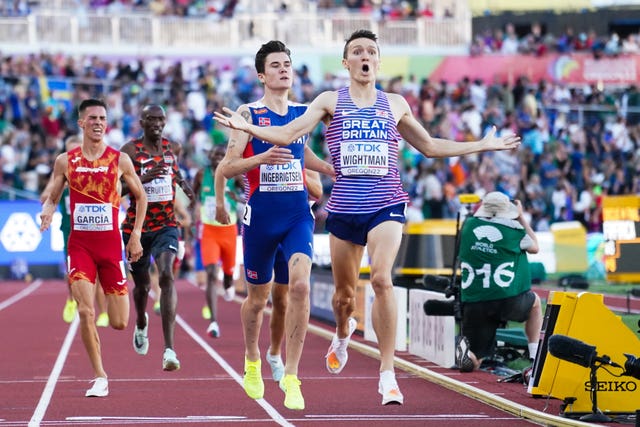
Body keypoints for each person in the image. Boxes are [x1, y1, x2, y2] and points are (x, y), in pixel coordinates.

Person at [213, 29, 521, 405]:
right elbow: (289, 134)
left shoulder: (395, 104)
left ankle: (384, 374)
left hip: (384, 204)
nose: (364, 56)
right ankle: (331, 336)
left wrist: (481, 145)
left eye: (370, 51)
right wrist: (250, 129)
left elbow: (429, 146)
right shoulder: (328, 100)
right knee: (338, 298)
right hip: (339, 208)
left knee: (377, 279)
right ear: (346, 62)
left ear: (377, 61)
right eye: (356, 51)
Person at [217, 40, 333, 411]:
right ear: (262, 75)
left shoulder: (304, 112)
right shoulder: (247, 114)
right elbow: (227, 167)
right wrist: (263, 157)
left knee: (299, 287)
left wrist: (329, 168)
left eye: (288, 63)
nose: (285, 69)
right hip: (261, 218)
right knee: (257, 299)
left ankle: (292, 376)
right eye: (277, 65)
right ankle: (252, 359)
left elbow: (303, 152)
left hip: (298, 214)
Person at [39, 98, 147, 397]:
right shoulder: (66, 160)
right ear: (81, 123)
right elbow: (53, 193)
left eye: (103, 118)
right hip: (81, 246)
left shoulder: (119, 160)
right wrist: (48, 208)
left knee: (119, 322)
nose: (99, 122)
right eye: (93, 118)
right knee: (86, 311)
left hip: (111, 247)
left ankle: (140, 318)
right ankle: (100, 376)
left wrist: (135, 235)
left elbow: (141, 197)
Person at [120, 104, 195, 371]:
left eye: (161, 119)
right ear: (142, 122)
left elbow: (175, 172)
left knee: (166, 275)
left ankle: (169, 350)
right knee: (142, 287)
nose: (157, 124)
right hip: (136, 229)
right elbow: (115, 191)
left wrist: (185, 186)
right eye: (151, 120)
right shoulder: (129, 152)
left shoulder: (173, 147)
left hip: (166, 224)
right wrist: (142, 178)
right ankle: (141, 322)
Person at [455, 191, 542, 373]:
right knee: (535, 304)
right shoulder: (514, 231)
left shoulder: (469, 226)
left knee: (476, 357)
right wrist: (521, 218)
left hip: (475, 300)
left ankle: (468, 355)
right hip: (506, 299)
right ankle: (535, 358)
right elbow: (535, 247)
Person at [41, 134, 110, 327]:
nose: (73, 155)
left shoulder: (93, 169)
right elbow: (44, 198)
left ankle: (102, 312)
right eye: (69, 151)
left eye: (75, 150)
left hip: (92, 227)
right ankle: (71, 300)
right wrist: (58, 183)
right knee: (71, 272)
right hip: (69, 230)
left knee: (95, 272)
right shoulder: (62, 172)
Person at [266, 169, 323, 382]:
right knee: (261, 298)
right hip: (264, 225)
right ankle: (252, 356)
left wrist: (296, 170)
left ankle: (274, 353)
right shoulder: (262, 148)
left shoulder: (305, 156)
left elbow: (317, 192)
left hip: (294, 229)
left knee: (282, 300)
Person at [192, 144, 243, 338]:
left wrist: (236, 199)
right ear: (210, 156)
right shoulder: (201, 174)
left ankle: (229, 282)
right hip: (209, 231)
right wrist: (193, 209)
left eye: (222, 155)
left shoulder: (234, 175)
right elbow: (193, 195)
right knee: (211, 273)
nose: (218, 157)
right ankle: (213, 321)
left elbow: (249, 196)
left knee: (228, 274)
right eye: (215, 154)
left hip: (229, 231)